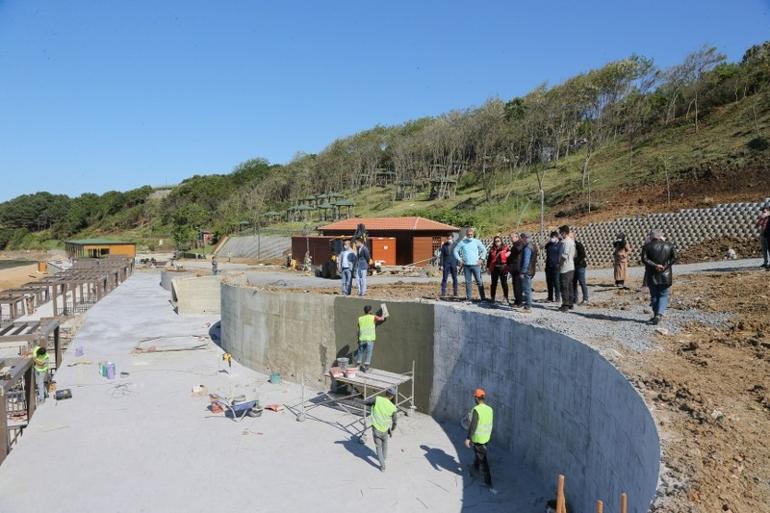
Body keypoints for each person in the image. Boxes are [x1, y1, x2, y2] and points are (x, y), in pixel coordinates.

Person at [641, 229, 676, 325]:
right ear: (660, 236)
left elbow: (644, 259)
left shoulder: (646, 246)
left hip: (652, 275)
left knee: (654, 295)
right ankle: (659, 315)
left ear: (651, 236)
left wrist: (655, 265)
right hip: (665, 275)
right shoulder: (669, 245)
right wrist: (665, 266)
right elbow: (674, 258)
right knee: (663, 294)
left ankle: (656, 315)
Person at [465, 388, 496, 494]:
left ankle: (488, 482)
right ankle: (474, 469)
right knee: (479, 455)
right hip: (486, 437)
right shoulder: (490, 409)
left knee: (483, 460)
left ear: (476, 398)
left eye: (474, 397)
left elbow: (473, 426)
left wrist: (468, 438)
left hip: (478, 439)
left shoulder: (476, 410)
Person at [368, 387, 398, 472]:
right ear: (392, 396)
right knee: (385, 443)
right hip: (385, 430)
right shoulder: (393, 407)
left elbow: (367, 402)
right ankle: (384, 458)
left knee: (378, 448)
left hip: (376, 429)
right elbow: (395, 422)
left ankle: (383, 466)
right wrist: (392, 429)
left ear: (386, 393)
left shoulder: (377, 399)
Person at [453, 228, 487, 302]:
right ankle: (469, 298)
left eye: (471, 234)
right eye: (468, 234)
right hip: (466, 265)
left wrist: (481, 259)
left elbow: (484, 250)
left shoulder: (477, 242)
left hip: (476, 265)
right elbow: (455, 251)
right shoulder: (462, 242)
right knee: (468, 282)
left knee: (479, 281)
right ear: (466, 234)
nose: (470, 236)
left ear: (473, 234)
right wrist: (459, 259)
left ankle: (483, 298)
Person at [356, 305, 385, 372]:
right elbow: (382, 319)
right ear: (370, 311)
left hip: (362, 338)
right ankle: (366, 369)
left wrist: (358, 339)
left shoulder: (360, 318)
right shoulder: (373, 317)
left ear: (364, 311)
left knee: (360, 352)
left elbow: (358, 330)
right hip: (370, 338)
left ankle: (357, 366)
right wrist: (384, 312)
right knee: (369, 353)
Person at [486, 236, 510, 303]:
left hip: (503, 268)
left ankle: (506, 297)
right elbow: (489, 259)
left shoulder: (506, 248)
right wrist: (488, 268)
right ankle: (492, 297)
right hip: (494, 268)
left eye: (498, 241)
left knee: (504, 283)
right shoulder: (492, 249)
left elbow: (509, 259)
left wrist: (509, 268)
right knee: (493, 283)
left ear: (501, 241)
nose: (497, 242)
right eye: (495, 241)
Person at [517, 233, 538, 312]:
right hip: (531, 270)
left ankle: (527, 307)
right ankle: (528, 305)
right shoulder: (533, 246)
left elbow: (526, 261)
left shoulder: (527, 248)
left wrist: (522, 272)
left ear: (525, 238)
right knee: (528, 288)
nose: (521, 240)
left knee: (527, 289)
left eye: (522, 238)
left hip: (527, 271)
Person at [558, 225, 576, 312]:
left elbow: (564, 256)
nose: (560, 234)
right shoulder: (572, 241)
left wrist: (559, 265)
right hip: (571, 267)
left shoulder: (566, 242)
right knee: (570, 286)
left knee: (564, 286)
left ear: (564, 233)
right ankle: (570, 304)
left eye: (560, 233)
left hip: (565, 267)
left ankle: (565, 305)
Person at [507, 233, 524, 307]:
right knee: (515, 285)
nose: (511, 238)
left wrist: (510, 252)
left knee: (518, 285)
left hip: (518, 267)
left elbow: (518, 250)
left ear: (517, 237)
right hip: (513, 267)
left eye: (512, 237)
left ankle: (519, 302)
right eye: (510, 237)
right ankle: (517, 300)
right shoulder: (515, 244)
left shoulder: (520, 243)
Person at [544, 231, 562, 303]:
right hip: (548, 265)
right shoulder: (549, 244)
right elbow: (542, 246)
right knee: (549, 282)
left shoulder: (560, 244)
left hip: (556, 266)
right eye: (552, 237)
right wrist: (548, 240)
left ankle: (557, 297)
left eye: (554, 237)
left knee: (556, 282)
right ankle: (550, 297)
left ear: (557, 237)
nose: (553, 238)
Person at [572, 236, 589, 304]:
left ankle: (585, 299)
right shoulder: (569, 245)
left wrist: (575, 261)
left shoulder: (578, 245)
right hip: (573, 267)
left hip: (580, 266)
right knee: (573, 283)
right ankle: (575, 299)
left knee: (582, 282)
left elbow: (583, 255)